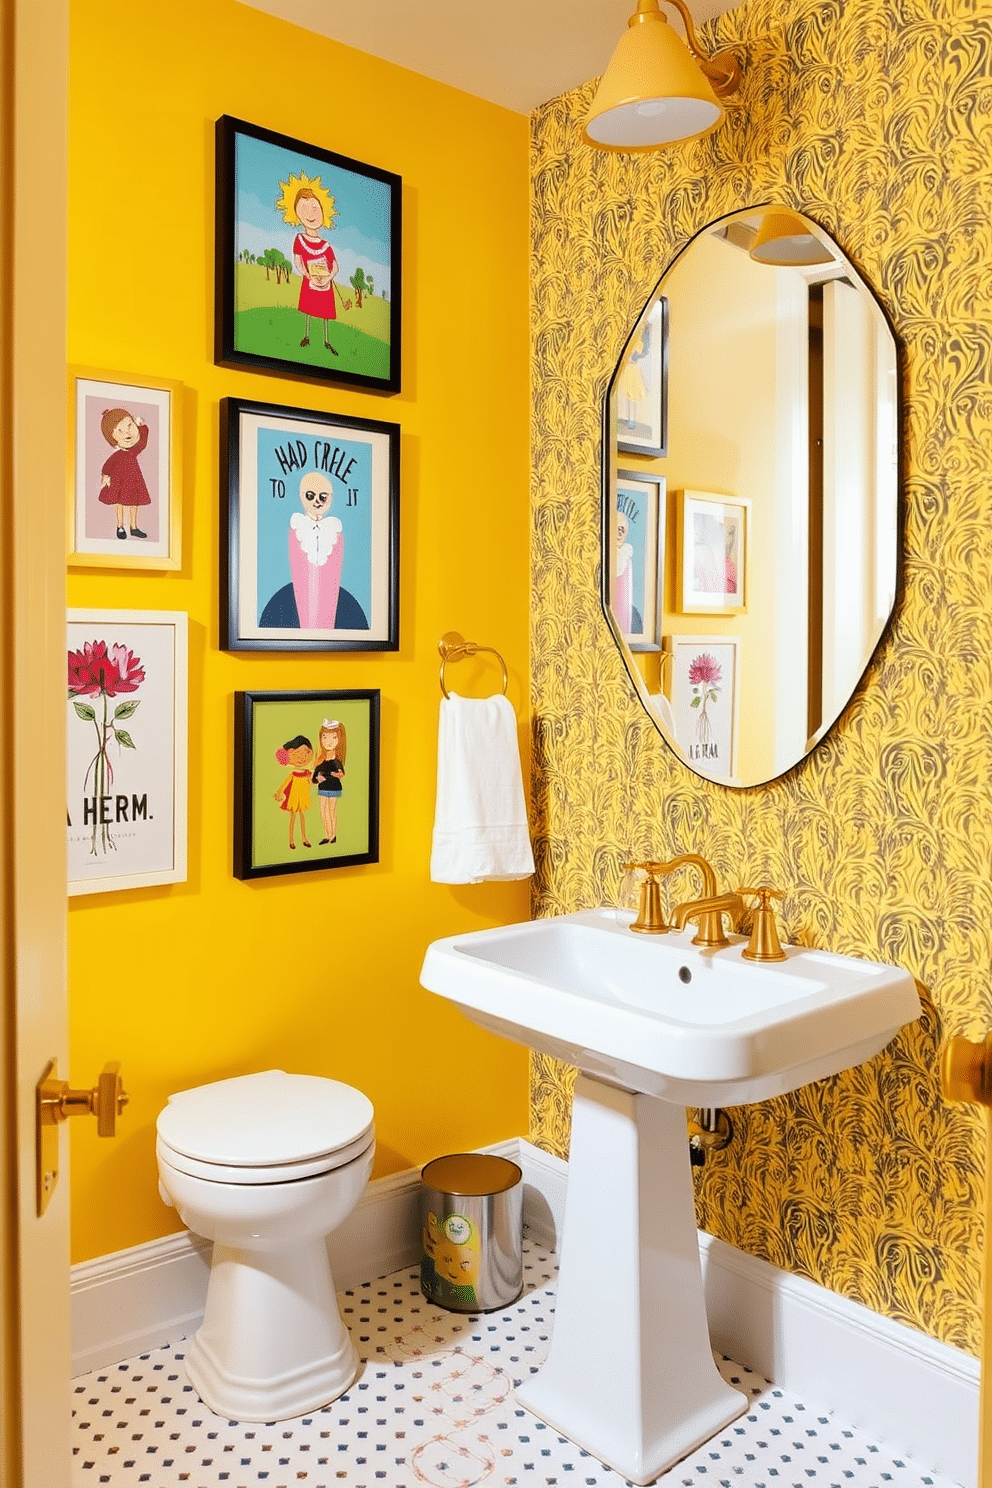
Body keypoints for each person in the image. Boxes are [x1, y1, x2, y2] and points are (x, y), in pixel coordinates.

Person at [289, 186, 347, 354]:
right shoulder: (300, 239)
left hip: (325, 282)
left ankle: (326, 340)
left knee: (324, 312)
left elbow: (335, 265)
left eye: (315, 208)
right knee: (310, 308)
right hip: (310, 280)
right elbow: (298, 260)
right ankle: (306, 335)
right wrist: (307, 274)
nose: (310, 214)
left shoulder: (326, 245)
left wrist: (328, 277)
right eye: (304, 208)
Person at [289, 470, 344, 630]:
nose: (317, 502)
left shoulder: (335, 530)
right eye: (310, 496)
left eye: (323, 497)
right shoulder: (297, 527)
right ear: (302, 495)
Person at [99, 407, 151, 541]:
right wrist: (105, 475)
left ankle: (133, 527)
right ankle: (120, 526)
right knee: (120, 503)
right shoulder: (118, 455)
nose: (127, 432)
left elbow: (143, 442)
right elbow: (108, 466)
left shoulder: (134, 451)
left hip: (133, 481)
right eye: (119, 431)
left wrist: (142, 426)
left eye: (129, 425)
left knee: (134, 503)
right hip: (119, 482)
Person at [273, 735, 313, 849]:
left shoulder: (307, 773)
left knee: (302, 817)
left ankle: (304, 838)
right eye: (296, 755)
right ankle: (291, 840)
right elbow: (285, 784)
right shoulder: (293, 774)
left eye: (305, 753)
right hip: (294, 797)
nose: (301, 758)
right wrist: (280, 792)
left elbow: (311, 781)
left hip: (303, 796)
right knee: (293, 818)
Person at [311, 719, 346, 845]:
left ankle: (333, 835)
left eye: (334, 737)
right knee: (323, 811)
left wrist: (331, 775)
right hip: (322, 787)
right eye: (325, 737)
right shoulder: (320, 759)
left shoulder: (336, 760)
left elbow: (341, 773)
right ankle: (327, 835)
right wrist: (318, 778)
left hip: (334, 787)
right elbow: (314, 776)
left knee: (331, 812)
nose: (328, 741)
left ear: (339, 739)